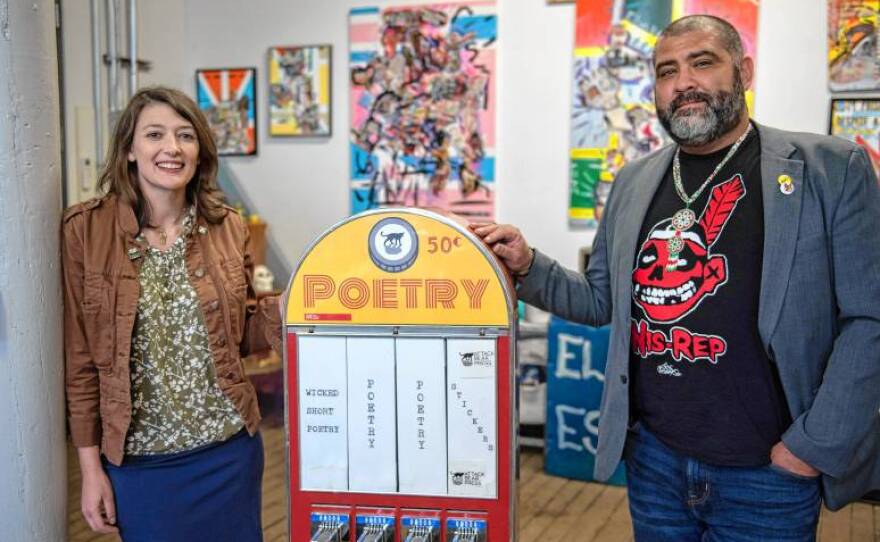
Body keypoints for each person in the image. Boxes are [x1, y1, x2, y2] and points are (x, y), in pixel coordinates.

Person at [474, 15, 880, 541]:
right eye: (667, 71)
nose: (683, 82)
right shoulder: (633, 181)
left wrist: (811, 447)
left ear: (744, 71)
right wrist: (528, 264)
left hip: (768, 473)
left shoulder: (830, 168)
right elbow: (601, 300)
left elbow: (869, 319)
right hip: (655, 463)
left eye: (703, 62)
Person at [62, 86, 282, 541]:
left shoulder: (228, 226)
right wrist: (90, 469)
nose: (172, 148)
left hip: (229, 451)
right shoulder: (85, 230)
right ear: (129, 149)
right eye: (155, 134)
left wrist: (297, 303)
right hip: (141, 465)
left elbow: (240, 334)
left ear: (200, 153)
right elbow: (81, 361)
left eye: (185, 136)